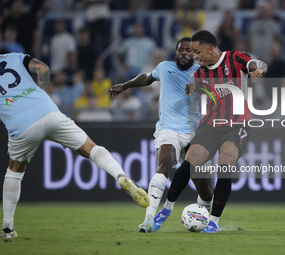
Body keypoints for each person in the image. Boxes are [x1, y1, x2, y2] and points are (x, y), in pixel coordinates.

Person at [0, 53, 149, 239]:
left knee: (14, 171)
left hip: (20, 124)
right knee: (92, 148)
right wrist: (41, 93)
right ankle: (121, 176)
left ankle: (7, 228)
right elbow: (43, 69)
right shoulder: (13, 57)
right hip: (48, 110)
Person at [153, 30, 268, 233]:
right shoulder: (199, 72)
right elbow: (203, 87)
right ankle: (166, 210)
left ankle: (213, 221)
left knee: (225, 165)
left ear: (211, 49)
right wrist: (192, 87)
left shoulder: (234, 58)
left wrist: (258, 68)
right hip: (211, 123)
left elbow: (256, 64)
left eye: (197, 52)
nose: (194, 57)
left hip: (237, 124)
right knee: (190, 162)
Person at [110, 37, 213, 233]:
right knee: (164, 163)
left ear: (195, 54)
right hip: (169, 129)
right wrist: (125, 85)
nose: (184, 53)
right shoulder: (164, 67)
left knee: (206, 191)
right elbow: (147, 78)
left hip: (195, 132)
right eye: (181, 50)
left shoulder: (202, 72)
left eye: (188, 50)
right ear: (176, 53)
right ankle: (149, 219)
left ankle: (205, 215)